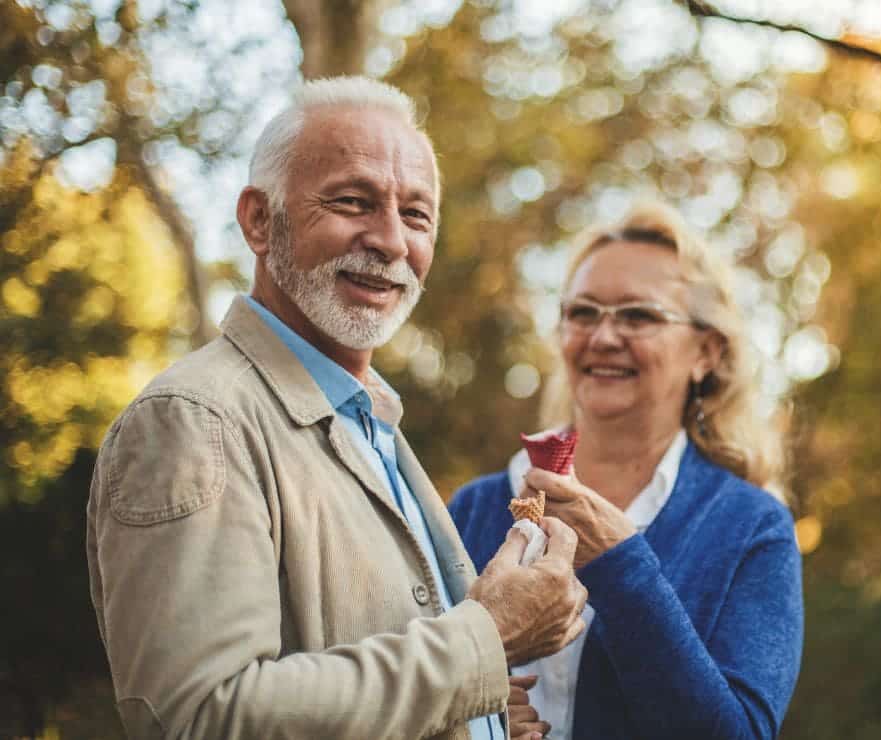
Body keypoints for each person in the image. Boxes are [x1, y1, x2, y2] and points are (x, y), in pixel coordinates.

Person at [86, 76, 588, 740]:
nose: (389, 240)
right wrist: (488, 637)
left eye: (416, 214)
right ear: (260, 220)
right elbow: (208, 717)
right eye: (354, 202)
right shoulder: (193, 422)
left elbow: (394, 677)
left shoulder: (371, 422)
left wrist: (485, 719)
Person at [449, 202, 805, 739]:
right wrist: (474, 724)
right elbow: (412, 693)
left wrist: (623, 567)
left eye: (639, 315)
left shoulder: (754, 528)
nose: (603, 337)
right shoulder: (473, 509)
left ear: (706, 351)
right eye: (583, 312)